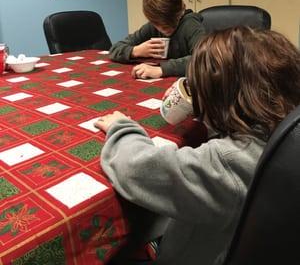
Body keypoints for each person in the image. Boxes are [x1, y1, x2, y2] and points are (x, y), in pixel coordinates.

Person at [95, 26, 300, 265]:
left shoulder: (230, 160)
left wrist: (122, 127)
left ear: (218, 96)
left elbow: (136, 168)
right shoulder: (283, 132)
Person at [109, 0, 205, 79]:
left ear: (181, 9)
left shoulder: (191, 24)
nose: (165, 28)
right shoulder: (152, 26)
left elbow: (204, 59)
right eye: (159, 24)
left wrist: (162, 70)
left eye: (170, 23)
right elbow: (114, 49)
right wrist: (136, 50)